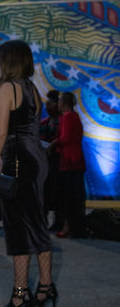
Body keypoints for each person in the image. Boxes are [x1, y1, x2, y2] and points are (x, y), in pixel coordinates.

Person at [0, 40, 55, 307]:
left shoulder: (8, 88)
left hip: (18, 161)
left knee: (18, 226)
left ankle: (22, 292)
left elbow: (0, 131)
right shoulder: (33, 89)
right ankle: (42, 286)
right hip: (35, 158)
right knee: (33, 222)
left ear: (8, 61)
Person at [52, 92, 86, 239]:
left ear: (63, 102)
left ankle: (68, 227)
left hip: (68, 160)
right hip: (77, 158)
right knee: (76, 196)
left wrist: (53, 143)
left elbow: (65, 138)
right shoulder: (76, 116)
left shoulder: (67, 117)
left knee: (69, 197)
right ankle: (76, 227)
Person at [40, 90, 64, 232]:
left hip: (59, 161)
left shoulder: (63, 121)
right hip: (46, 161)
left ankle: (59, 221)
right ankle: (42, 220)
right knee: (44, 191)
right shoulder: (44, 122)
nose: (47, 107)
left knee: (58, 192)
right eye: (46, 104)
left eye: (50, 104)